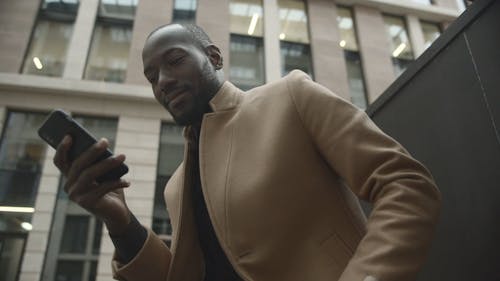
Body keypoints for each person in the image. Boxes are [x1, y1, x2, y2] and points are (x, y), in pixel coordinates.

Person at [54, 23, 441, 281]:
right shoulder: (175, 186)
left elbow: (405, 184)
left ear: (215, 58)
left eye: (174, 61)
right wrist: (119, 222)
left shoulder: (291, 96)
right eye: (152, 76)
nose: (164, 82)